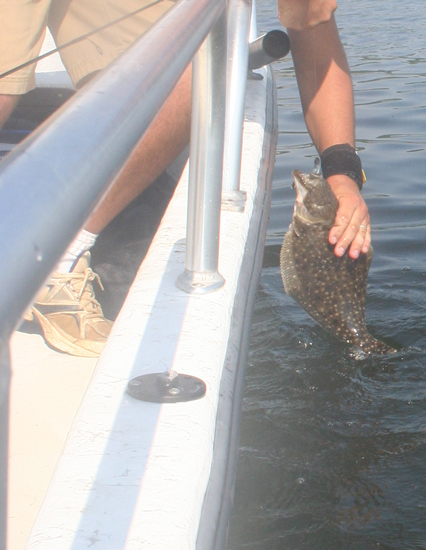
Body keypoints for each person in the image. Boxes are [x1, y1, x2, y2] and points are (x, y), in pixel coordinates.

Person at [0, 0, 370, 356]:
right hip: (116, 62)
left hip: (174, 55)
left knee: (209, 46)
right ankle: (54, 260)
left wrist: (343, 176)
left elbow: (316, 44)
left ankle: (63, 247)